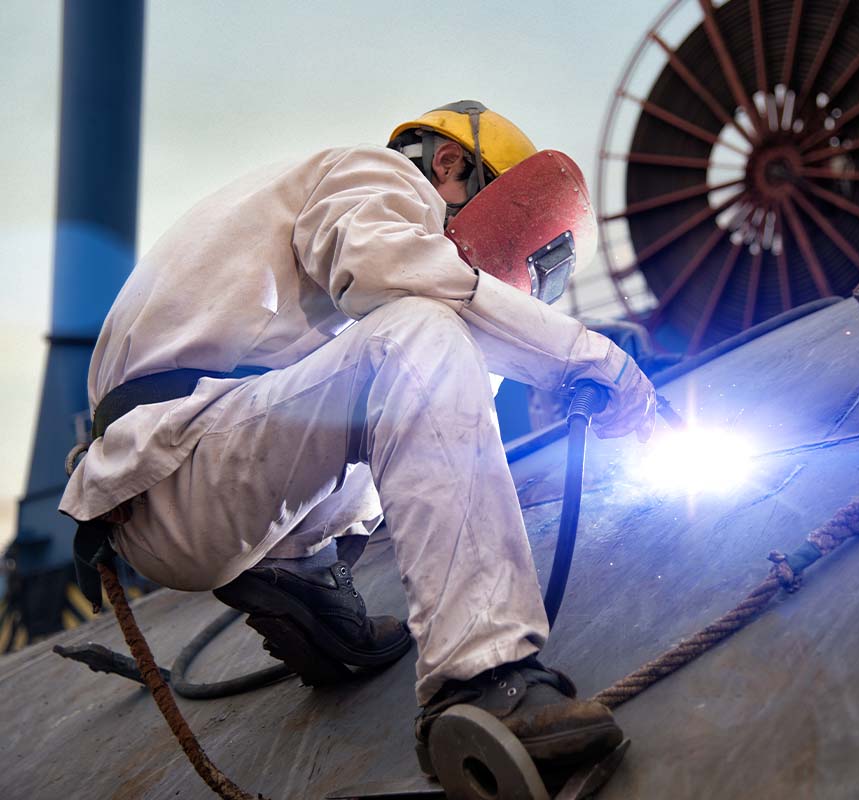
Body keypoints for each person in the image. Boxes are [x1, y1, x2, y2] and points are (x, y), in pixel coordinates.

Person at [60, 100, 655, 770]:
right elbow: (395, 274)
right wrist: (589, 358)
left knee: (437, 359)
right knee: (421, 331)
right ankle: (481, 682)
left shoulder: (307, 239)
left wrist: (529, 363)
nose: (481, 266)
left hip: (204, 465)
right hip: (182, 462)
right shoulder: (377, 175)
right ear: (450, 163)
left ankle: (300, 574)